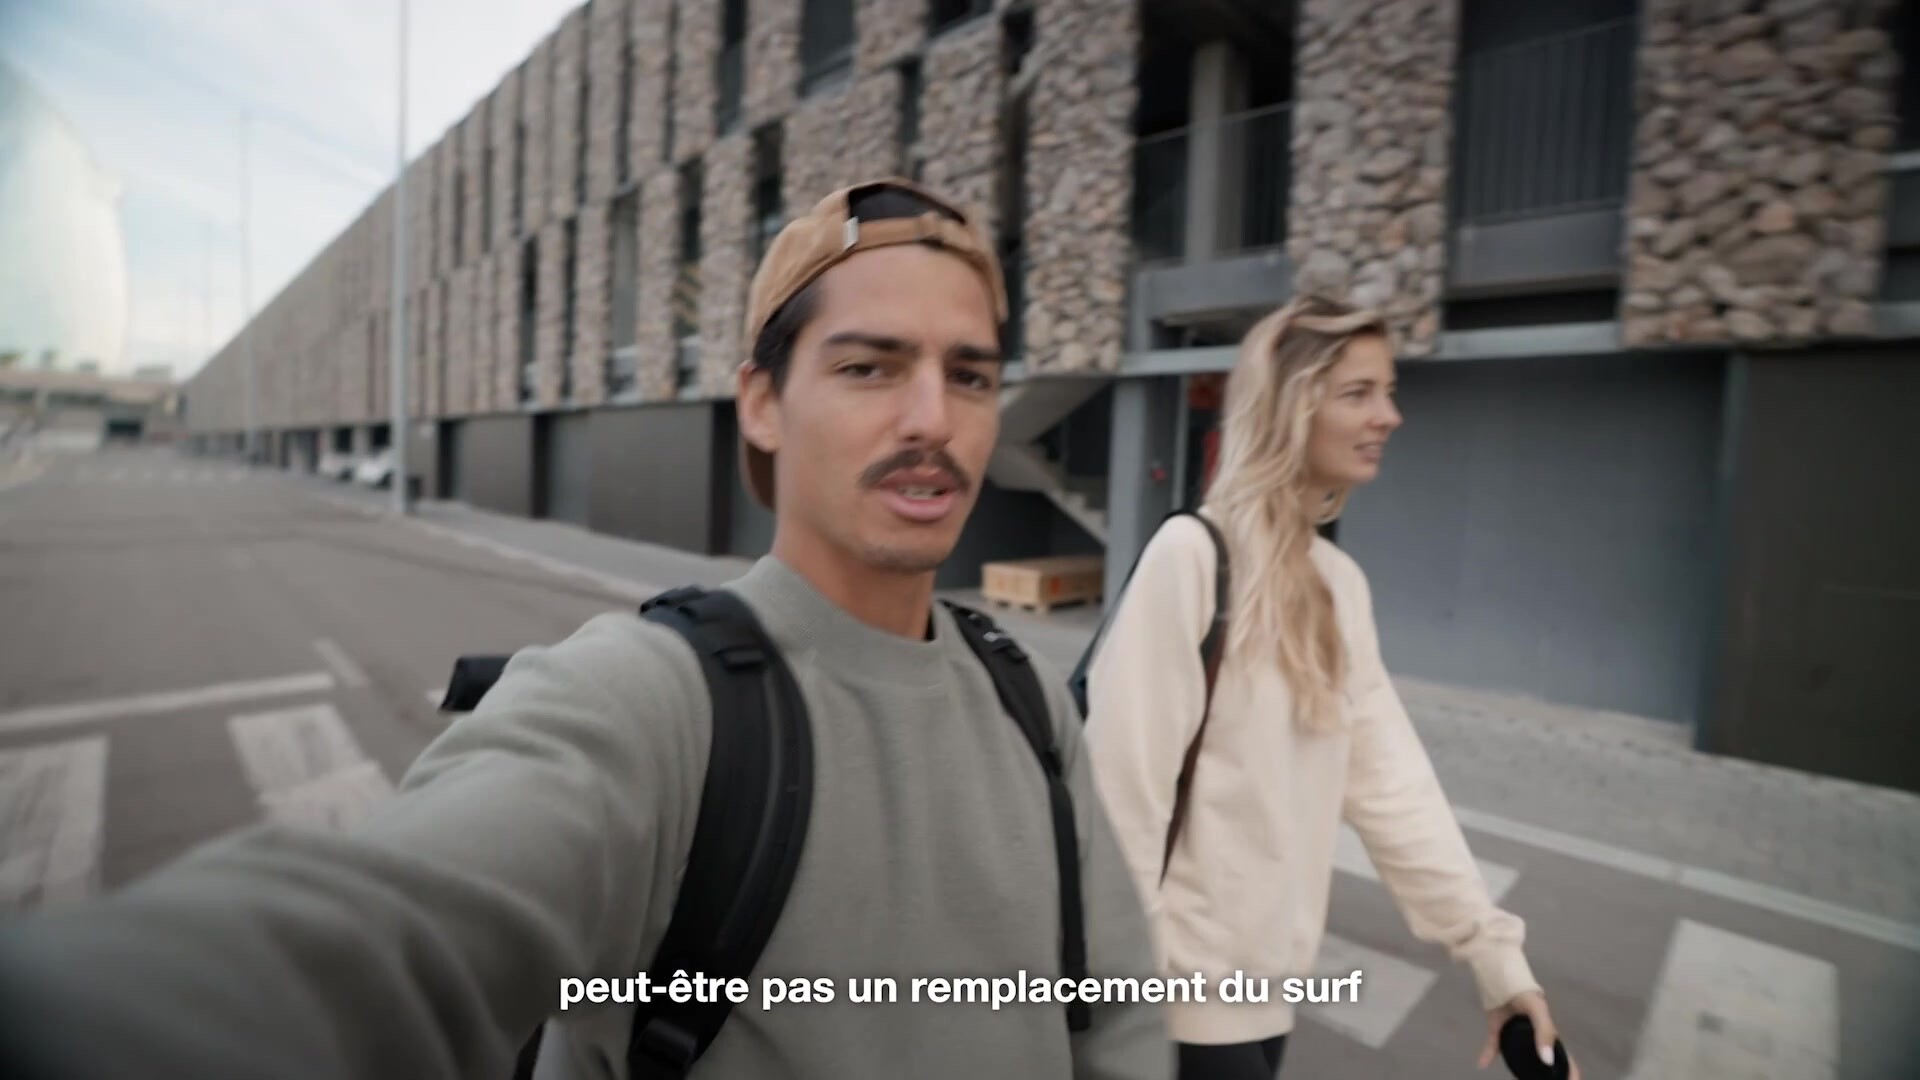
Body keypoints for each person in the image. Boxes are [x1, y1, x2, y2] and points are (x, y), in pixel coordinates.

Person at [0, 179, 1171, 1080]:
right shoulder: (658, 699)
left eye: (972, 378)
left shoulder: (1026, 698)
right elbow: (388, 930)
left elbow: (1115, 1016)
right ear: (762, 403)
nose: (934, 419)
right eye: (871, 367)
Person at [1079, 296, 1580, 1079]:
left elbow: (1392, 788)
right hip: (1170, 996)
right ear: (1289, 408)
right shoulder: (1193, 557)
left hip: (1267, 996)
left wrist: (1495, 958)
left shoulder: (1339, 585)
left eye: (1389, 392)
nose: (1390, 416)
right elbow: (1120, 797)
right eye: (1358, 393)